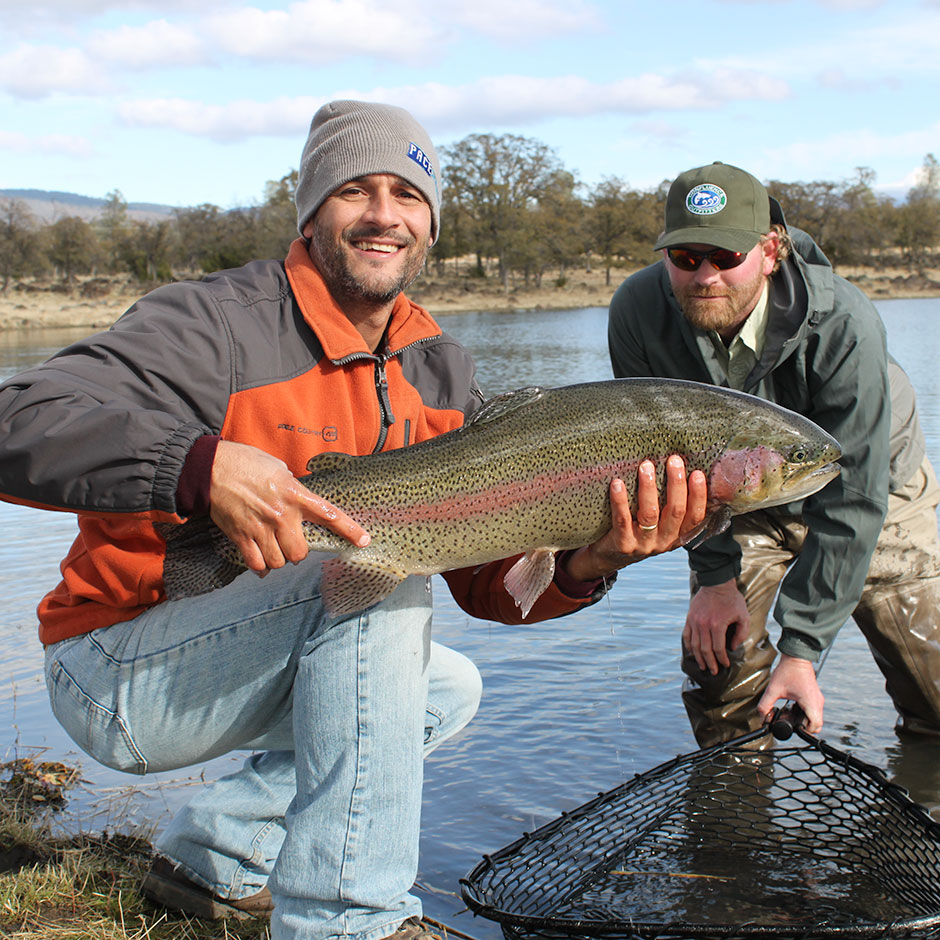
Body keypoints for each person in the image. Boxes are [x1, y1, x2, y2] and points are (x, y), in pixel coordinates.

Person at [0, 101, 708, 940]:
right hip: (114, 668)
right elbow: (19, 416)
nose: (384, 216)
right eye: (355, 191)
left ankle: (209, 858)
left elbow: (486, 579)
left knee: (447, 689)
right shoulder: (212, 323)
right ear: (311, 210)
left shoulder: (440, 369)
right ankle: (349, 922)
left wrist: (589, 564)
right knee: (385, 591)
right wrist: (197, 466)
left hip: (239, 657)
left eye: (407, 196)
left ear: (431, 223)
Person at [608, 160, 940, 746]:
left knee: (933, 693)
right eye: (686, 258)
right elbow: (665, 470)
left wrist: (802, 650)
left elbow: (853, 496)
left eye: (726, 257)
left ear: (771, 249)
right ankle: (735, 825)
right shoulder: (636, 311)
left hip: (875, 490)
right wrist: (714, 581)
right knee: (719, 676)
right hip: (737, 504)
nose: (705, 276)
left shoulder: (845, 322)